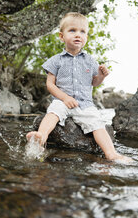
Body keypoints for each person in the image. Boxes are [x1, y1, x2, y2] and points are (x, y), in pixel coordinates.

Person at [26, 12, 131, 162]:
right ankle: (41, 137)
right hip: (62, 100)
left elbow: (94, 83)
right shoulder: (55, 61)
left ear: (86, 38)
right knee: (53, 113)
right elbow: (50, 84)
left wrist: (101, 77)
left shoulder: (90, 61)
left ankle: (111, 153)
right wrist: (64, 97)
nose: (78, 35)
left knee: (97, 123)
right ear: (61, 36)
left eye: (82, 32)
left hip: (85, 104)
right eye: (72, 30)